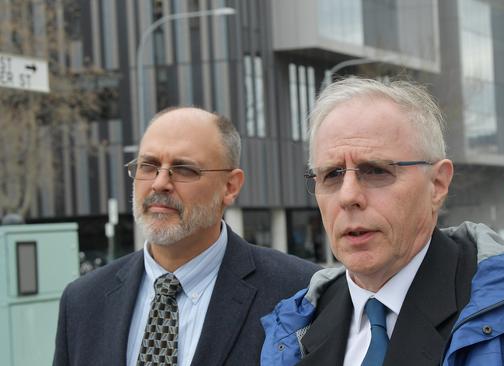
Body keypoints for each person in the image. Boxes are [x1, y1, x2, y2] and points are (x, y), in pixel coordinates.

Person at [260, 78, 504, 365]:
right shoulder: (293, 326)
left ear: (438, 184)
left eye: (376, 171)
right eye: (332, 174)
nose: (349, 196)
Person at [53, 107, 319, 366]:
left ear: (230, 186)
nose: (159, 183)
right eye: (149, 166)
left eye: (184, 169)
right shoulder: (82, 302)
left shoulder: (300, 291)